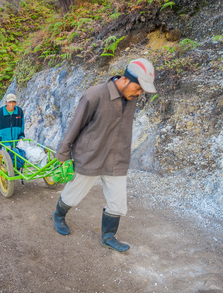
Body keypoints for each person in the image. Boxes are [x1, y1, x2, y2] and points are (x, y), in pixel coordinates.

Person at [53, 58, 157, 253]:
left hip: (116, 158)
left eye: (142, 90)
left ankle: (108, 236)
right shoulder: (95, 95)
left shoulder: (131, 98)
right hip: (90, 156)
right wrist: (63, 156)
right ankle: (58, 216)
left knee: (118, 201)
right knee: (73, 194)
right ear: (126, 80)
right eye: (138, 88)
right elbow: (75, 126)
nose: (139, 93)